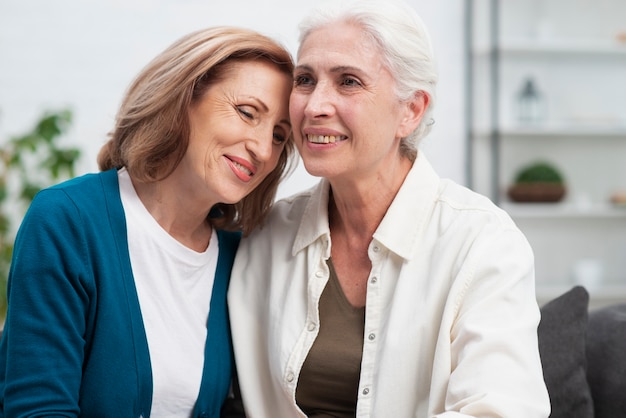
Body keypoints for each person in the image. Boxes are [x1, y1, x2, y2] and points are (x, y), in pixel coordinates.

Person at [228, 0, 551, 416]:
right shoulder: (265, 236)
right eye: (305, 80)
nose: (314, 106)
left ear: (411, 111)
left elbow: (500, 410)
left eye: (348, 82)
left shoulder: (484, 244)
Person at [0, 26, 295, 417]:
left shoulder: (239, 256)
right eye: (246, 112)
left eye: (278, 135)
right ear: (182, 98)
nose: (261, 148)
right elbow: (38, 408)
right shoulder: (68, 219)